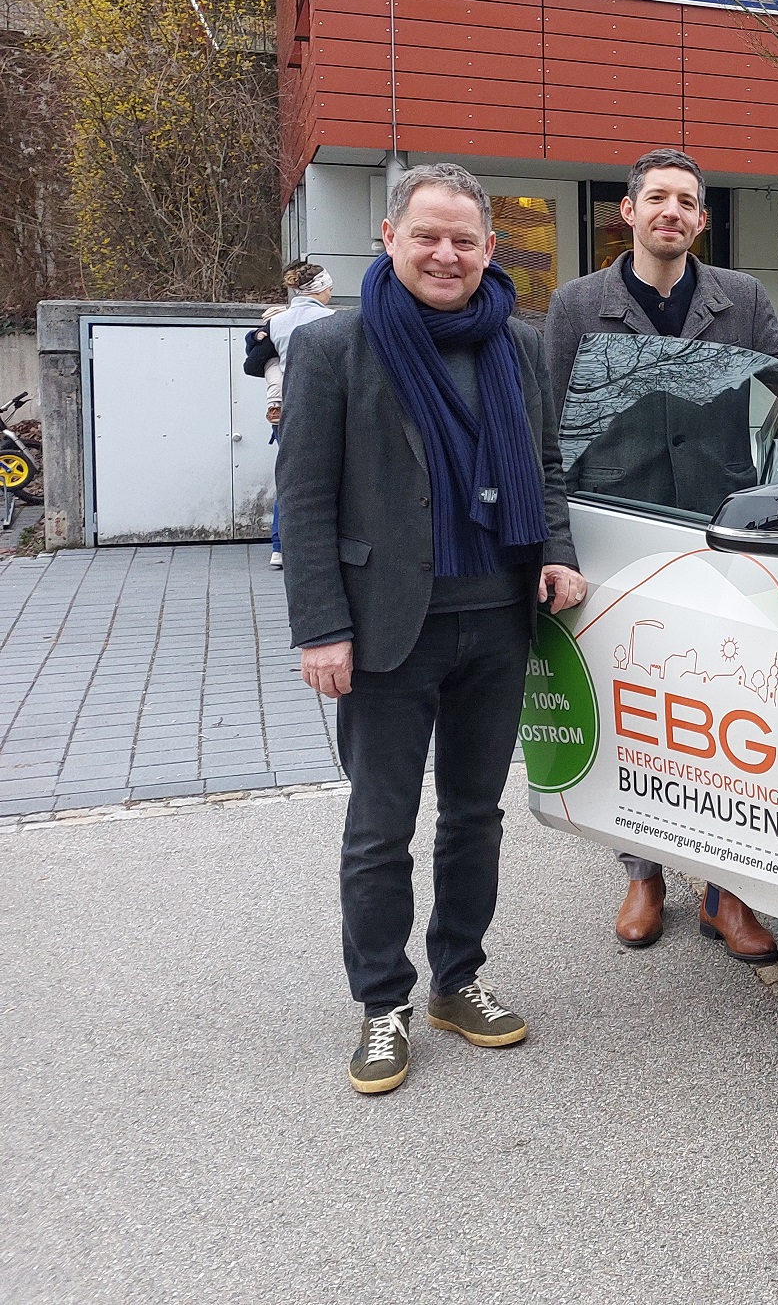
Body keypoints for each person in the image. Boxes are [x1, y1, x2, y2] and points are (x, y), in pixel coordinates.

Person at [544, 146, 778, 961]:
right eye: (657, 199)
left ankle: (727, 891)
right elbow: (550, 429)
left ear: (702, 220)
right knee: (638, 696)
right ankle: (643, 874)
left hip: (717, 523)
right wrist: (557, 542)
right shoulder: (576, 305)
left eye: (686, 201)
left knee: (720, 704)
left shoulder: (738, 298)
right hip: (617, 523)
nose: (671, 212)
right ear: (629, 212)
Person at [277, 163, 587, 1096]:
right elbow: (305, 498)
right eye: (427, 236)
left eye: (463, 239)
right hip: (385, 628)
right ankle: (383, 1003)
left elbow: (545, 463)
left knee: (475, 817)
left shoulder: (517, 344)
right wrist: (321, 627)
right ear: (390, 238)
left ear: (490, 248)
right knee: (380, 829)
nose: (446, 254)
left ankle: (458, 979)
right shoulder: (335, 346)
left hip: (497, 617)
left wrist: (557, 551)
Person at [257, 263, 336, 569]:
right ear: (321, 288)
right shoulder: (333, 321)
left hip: (288, 409)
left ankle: (280, 547)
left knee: (291, 479)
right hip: (326, 407)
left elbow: (259, 359)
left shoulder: (277, 322)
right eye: (329, 286)